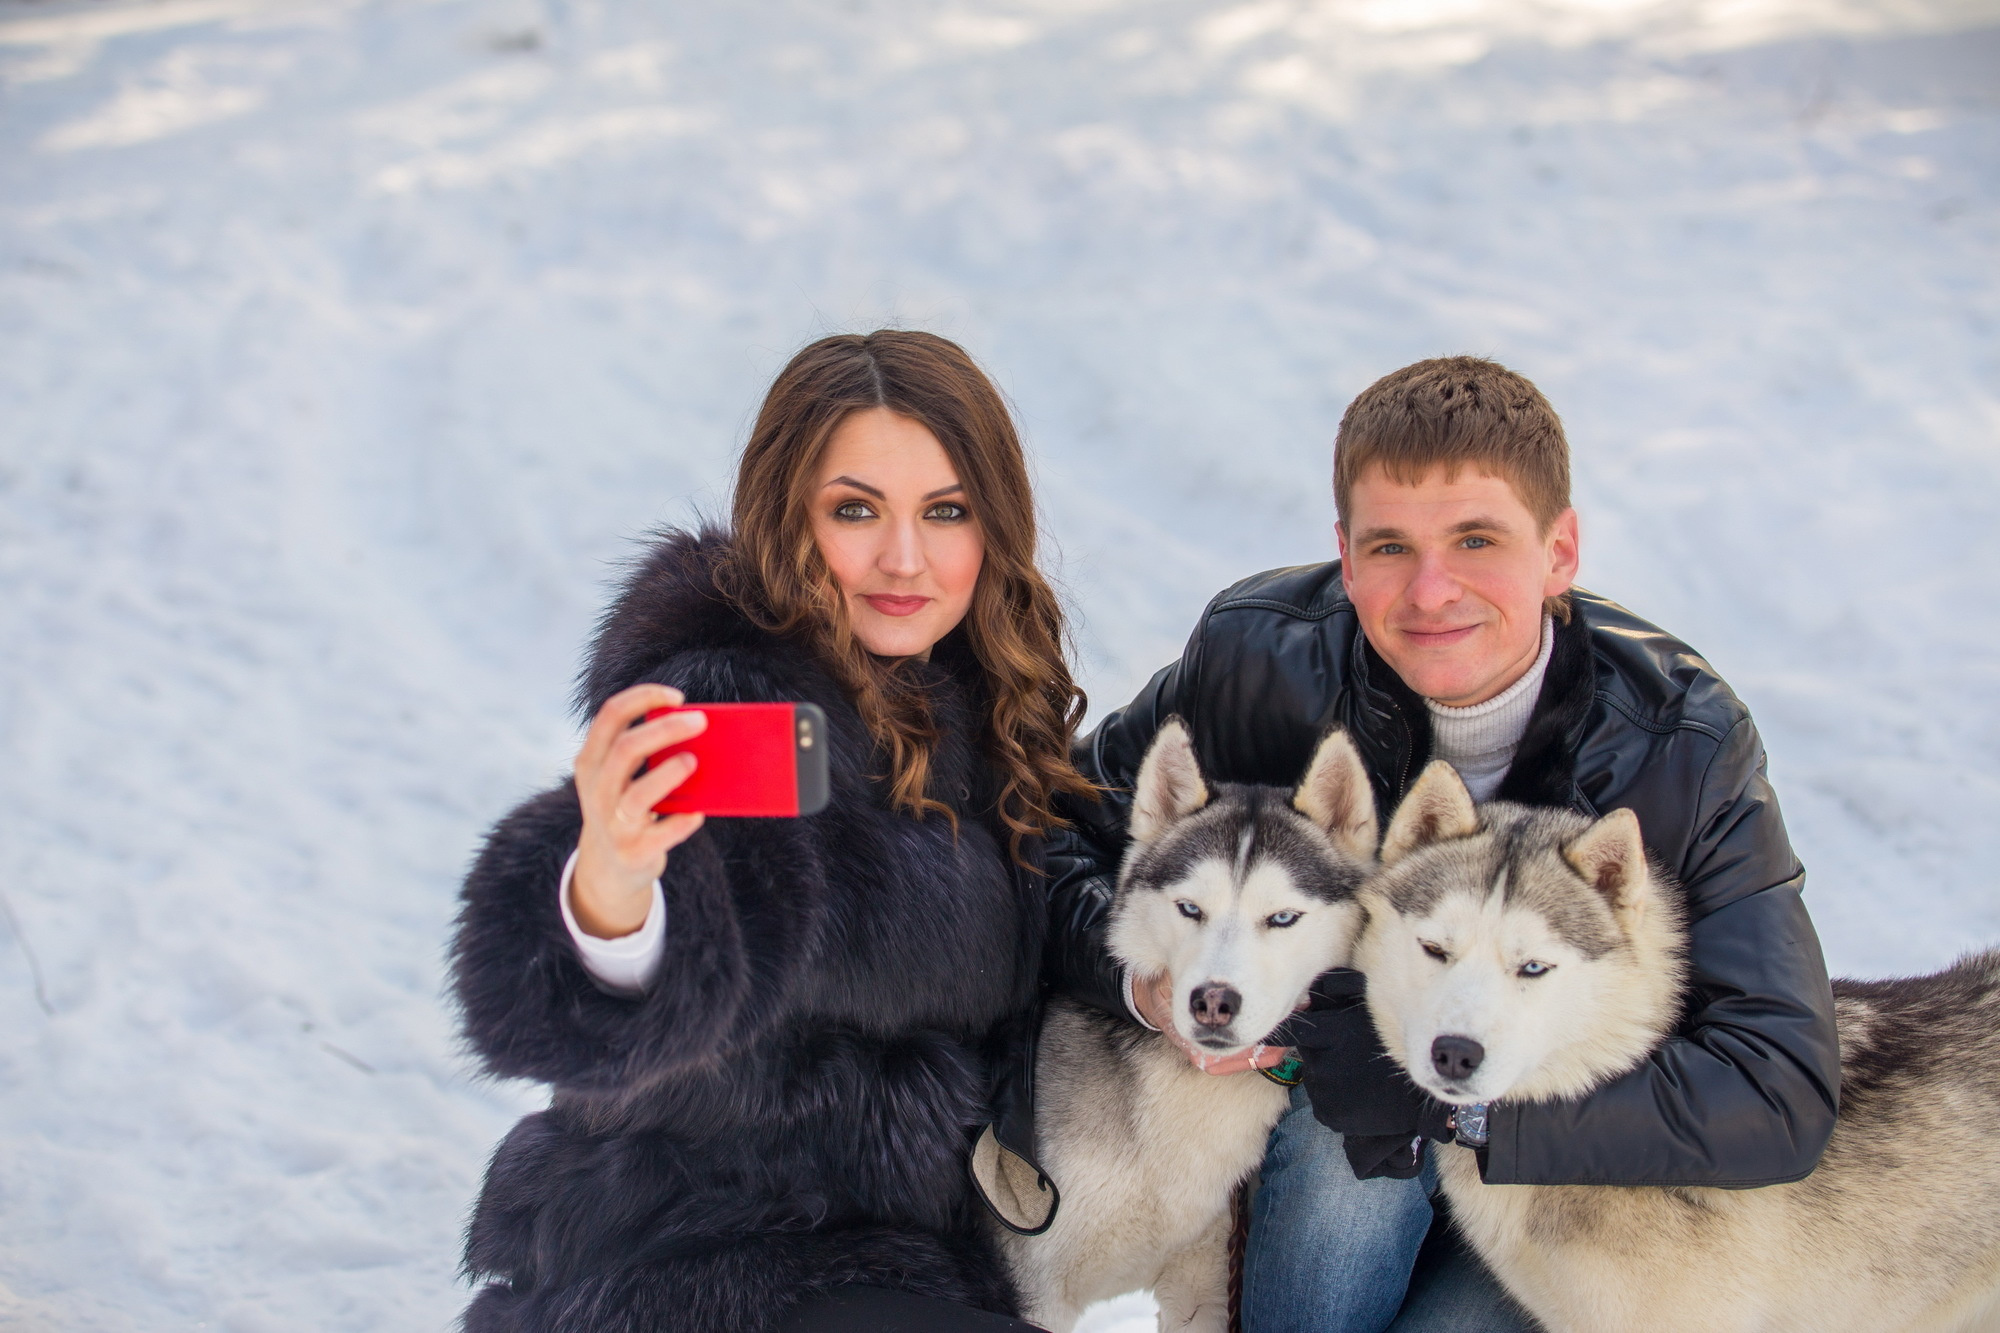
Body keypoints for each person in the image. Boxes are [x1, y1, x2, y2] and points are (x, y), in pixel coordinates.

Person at [1043, 356, 1843, 1332]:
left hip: (1562, 1167)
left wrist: (1457, 1110)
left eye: (1475, 538)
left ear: (1559, 551)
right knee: (1349, 1153)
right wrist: (1145, 986)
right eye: (1388, 546)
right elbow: (1046, 834)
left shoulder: (1677, 743)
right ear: (1344, 555)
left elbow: (1776, 1083)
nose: (1429, 590)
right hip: (1333, 1139)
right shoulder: (1256, 659)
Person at [450, 330, 1101, 1333]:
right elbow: (697, 928)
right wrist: (615, 889)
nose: (903, 557)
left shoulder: (978, 704)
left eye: (946, 511)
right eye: (854, 510)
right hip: (695, 1270)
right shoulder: (729, 686)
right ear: (784, 515)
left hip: (904, 1272)